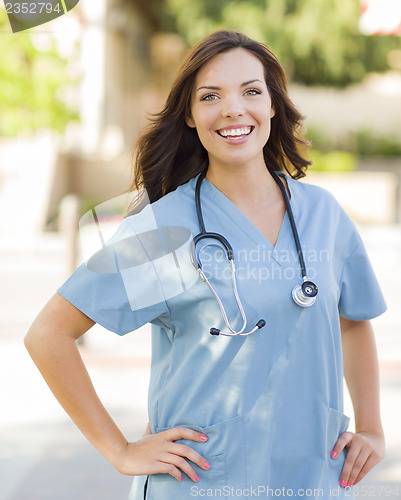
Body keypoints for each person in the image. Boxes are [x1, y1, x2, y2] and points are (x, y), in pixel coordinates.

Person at [25, 30, 387, 499]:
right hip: (203, 484)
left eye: (251, 91)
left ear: (273, 106)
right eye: (210, 96)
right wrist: (120, 449)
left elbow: (352, 321)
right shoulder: (163, 229)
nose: (234, 108)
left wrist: (373, 428)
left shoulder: (323, 214)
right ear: (192, 117)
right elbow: (48, 334)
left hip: (313, 480)